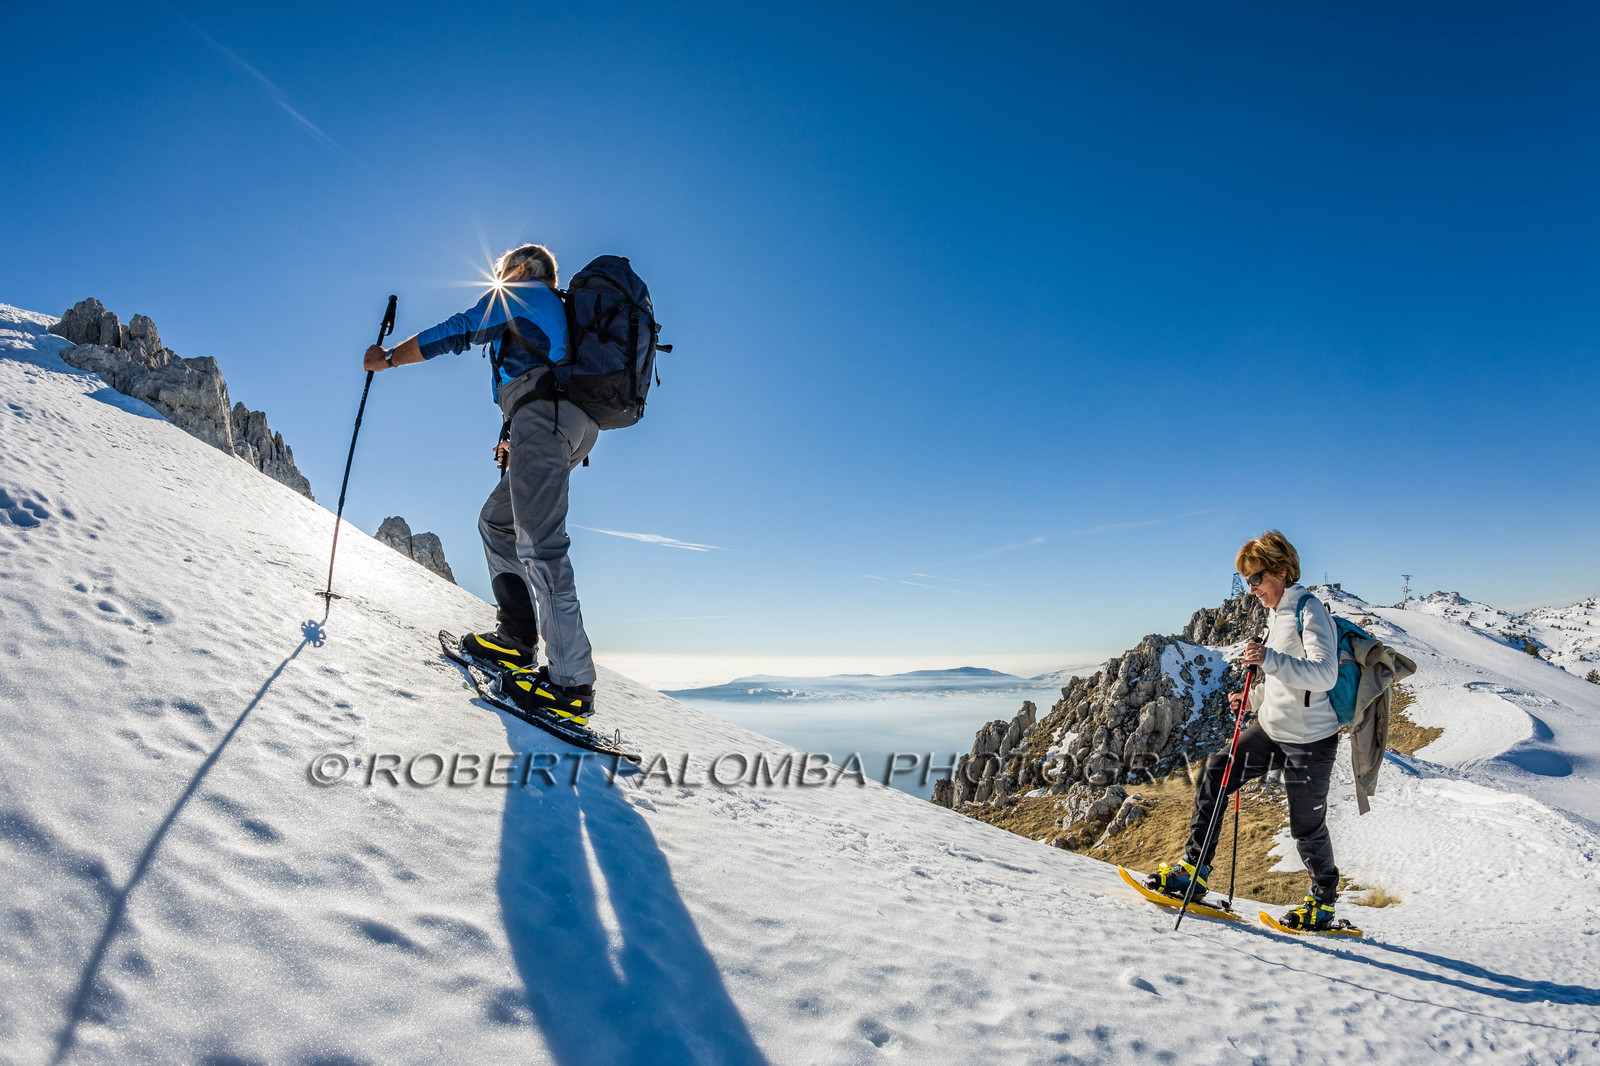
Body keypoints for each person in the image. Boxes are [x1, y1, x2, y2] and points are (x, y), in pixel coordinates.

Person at [364, 243, 600, 725]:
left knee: (540, 542)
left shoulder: (526, 294)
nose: (498, 278)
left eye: (501, 271)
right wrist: (517, 432)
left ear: (520, 269)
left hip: (546, 419)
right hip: (555, 420)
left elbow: (459, 329)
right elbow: (540, 368)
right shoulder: (546, 308)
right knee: (498, 522)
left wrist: (386, 359)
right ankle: (516, 639)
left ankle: (571, 687)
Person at [1152, 530, 1343, 931]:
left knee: (1305, 825)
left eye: (1257, 578)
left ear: (1283, 571)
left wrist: (1269, 658)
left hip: (1310, 739)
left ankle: (1323, 902)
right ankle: (1195, 869)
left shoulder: (1309, 610)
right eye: (1247, 580)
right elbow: (1282, 684)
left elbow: (1325, 675)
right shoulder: (1275, 616)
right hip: (1273, 729)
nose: (1251, 588)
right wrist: (1252, 701)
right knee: (1216, 771)